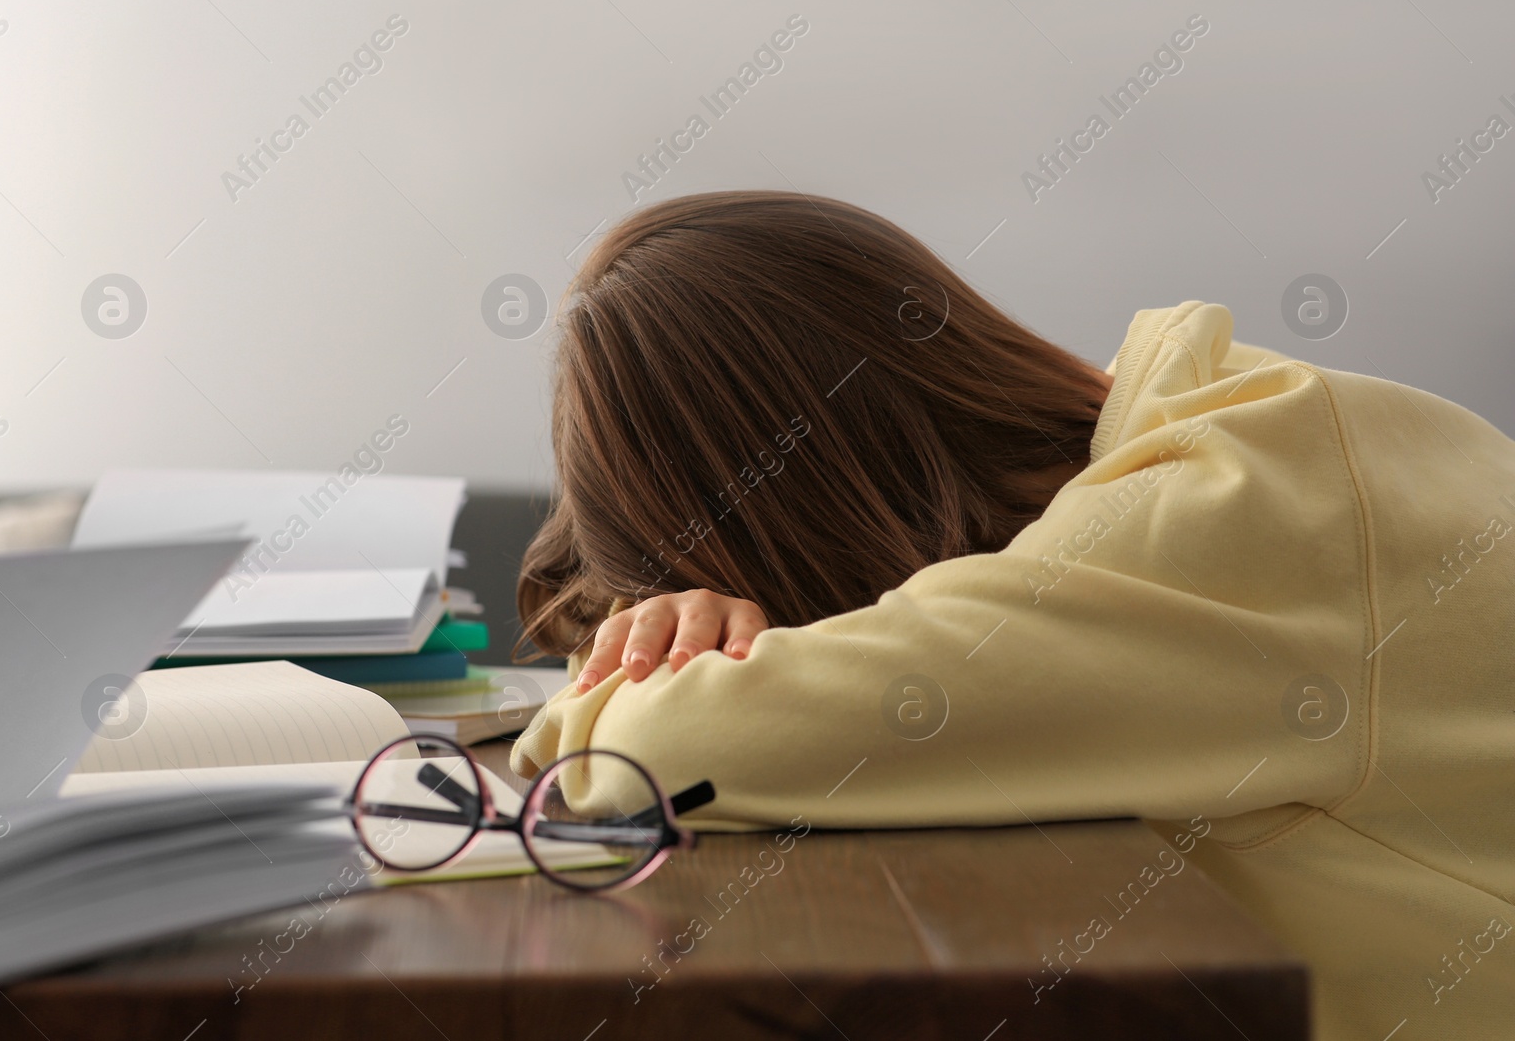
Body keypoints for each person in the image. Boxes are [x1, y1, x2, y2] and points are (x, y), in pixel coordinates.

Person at [512, 190, 1515, 1040]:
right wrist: (672, 622)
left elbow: (670, 754)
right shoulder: (1256, 418)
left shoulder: (1183, 529)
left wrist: (638, 680)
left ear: (797, 516)